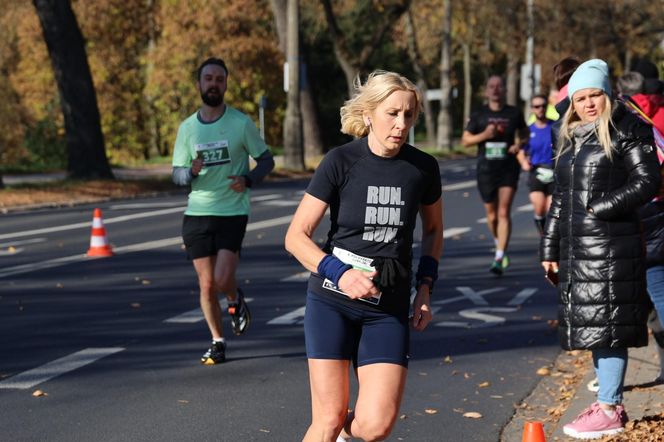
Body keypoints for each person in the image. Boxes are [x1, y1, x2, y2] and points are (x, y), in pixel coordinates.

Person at [284, 70, 443, 442]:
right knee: (328, 416)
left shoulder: (422, 168)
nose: (401, 124)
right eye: (392, 113)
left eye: (408, 115)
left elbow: (434, 231)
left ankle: (344, 433)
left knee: (375, 427)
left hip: (387, 306)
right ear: (369, 113)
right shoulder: (340, 162)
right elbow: (295, 237)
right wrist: (340, 273)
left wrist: (425, 288)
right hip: (332, 300)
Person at [540, 59, 661, 439]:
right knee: (597, 324)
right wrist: (550, 246)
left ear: (607, 95)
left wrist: (599, 208)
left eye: (595, 95)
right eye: (581, 98)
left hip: (613, 244)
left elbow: (647, 180)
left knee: (609, 325)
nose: (589, 103)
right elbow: (560, 196)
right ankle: (607, 402)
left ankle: (609, 407)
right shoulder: (572, 135)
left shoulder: (627, 128)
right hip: (580, 247)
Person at [172, 57, 275, 364]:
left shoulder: (240, 124)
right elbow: (176, 175)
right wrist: (190, 171)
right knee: (206, 284)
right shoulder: (188, 129)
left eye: (219, 79)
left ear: (225, 84)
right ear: (199, 84)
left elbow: (267, 160)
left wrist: (248, 179)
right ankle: (217, 341)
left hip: (232, 211)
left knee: (221, 278)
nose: (213, 84)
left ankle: (233, 298)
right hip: (197, 212)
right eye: (208, 79)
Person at [461, 75, 528, 275]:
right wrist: (485, 135)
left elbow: (524, 133)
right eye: (492, 86)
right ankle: (499, 241)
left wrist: (519, 144)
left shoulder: (514, 112)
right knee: (491, 215)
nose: (496, 89)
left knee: (503, 212)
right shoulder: (479, 114)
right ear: (486, 90)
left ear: (505, 89)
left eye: (499, 86)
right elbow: (465, 140)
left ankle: (499, 256)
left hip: (508, 168)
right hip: (486, 169)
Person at [517, 94, 555, 235]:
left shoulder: (555, 127)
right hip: (537, 172)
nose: (540, 109)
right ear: (532, 109)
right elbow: (521, 151)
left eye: (543, 106)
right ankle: (543, 238)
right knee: (539, 208)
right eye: (536, 106)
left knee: (551, 210)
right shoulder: (528, 130)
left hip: (554, 171)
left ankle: (551, 239)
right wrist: (523, 163)